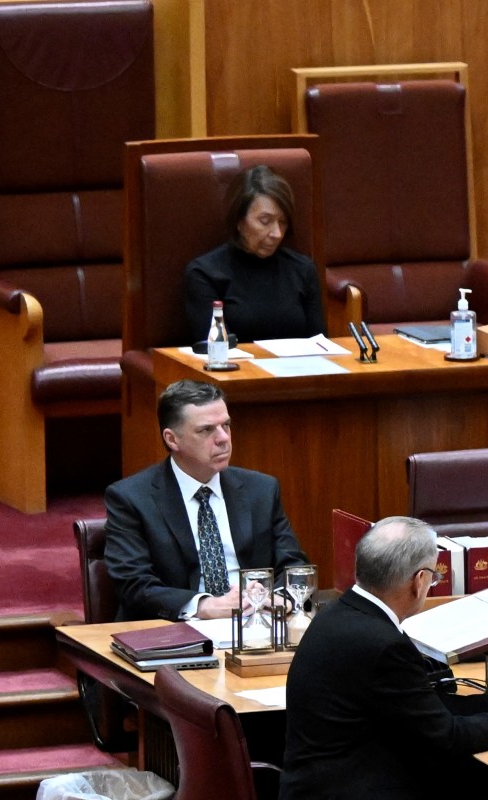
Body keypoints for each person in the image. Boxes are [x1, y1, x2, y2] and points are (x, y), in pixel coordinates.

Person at [279, 516, 488, 800]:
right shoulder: (382, 644)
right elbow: (447, 738)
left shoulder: (336, 615)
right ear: (419, 580)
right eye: (434, 576)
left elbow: (419, 705)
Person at [104, 379, 308, 621]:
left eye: (226, 425)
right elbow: (133, 584)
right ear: (172, 440)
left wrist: (280, 598)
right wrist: (203, 606)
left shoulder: (261, 489)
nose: (223, 438)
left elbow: (294, 566)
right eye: (206, 430)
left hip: (256, 623)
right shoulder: (130, 498)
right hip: (177, 630)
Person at [184, 164, 326, 343]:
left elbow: (321, 345)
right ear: (239, 220)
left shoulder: (303, 269)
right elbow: (215, 350)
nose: (277, 233)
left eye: (282, 222)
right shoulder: (204, 274)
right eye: (265, 221)